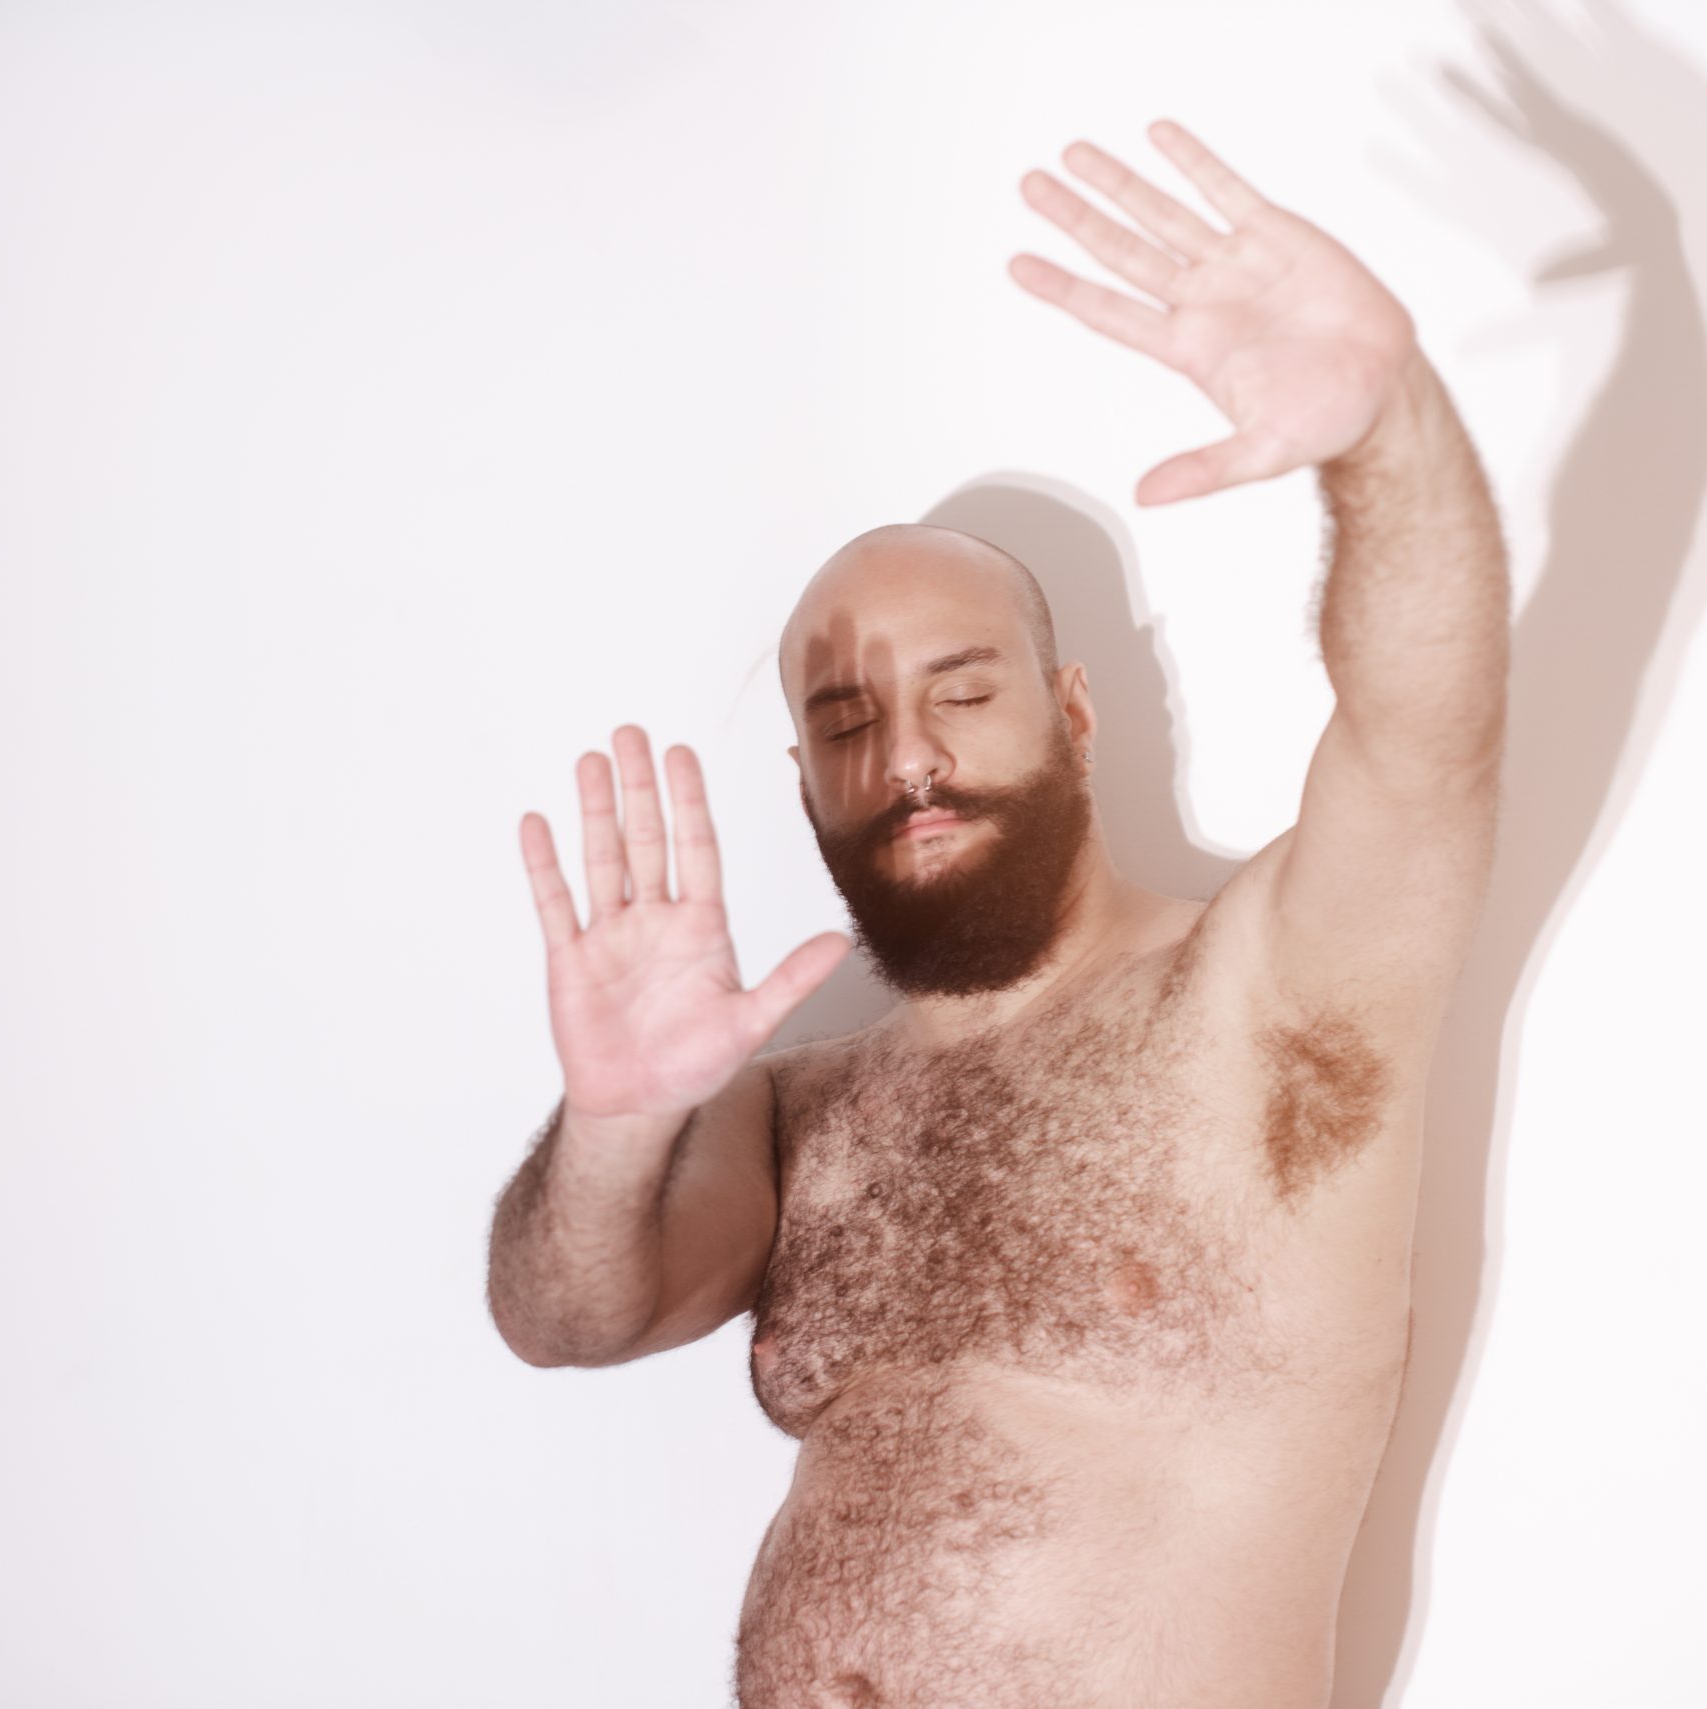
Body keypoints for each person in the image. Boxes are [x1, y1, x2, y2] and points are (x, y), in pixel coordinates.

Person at [486, 117, 1510, 1709]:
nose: (908, 757)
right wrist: (617, 1122)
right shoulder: (792, 1112)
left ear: (1072, 711)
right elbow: (562, 1318)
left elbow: (1424, 738)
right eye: (847, 721)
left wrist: (1387, 435)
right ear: (807, 778)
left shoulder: (1266, 991)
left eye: (963, 691)